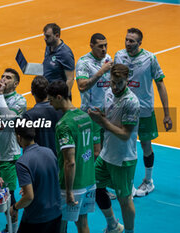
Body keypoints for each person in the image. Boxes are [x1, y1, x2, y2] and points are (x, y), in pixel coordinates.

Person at [114, 28, 172, 197]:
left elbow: (161, 85)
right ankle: (123, 183)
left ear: (140, 43)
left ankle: (148, 181)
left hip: (144, 109)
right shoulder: (119, 55)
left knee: (146, 145)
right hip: (123, 108)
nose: (127, 43)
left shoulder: (150, 58)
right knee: (122, 145)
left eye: (132, 41)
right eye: (126, 39)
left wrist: (167, 114)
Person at [88, 64, 140, 233]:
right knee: (94, 187)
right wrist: (99, 115)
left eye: (119, 83)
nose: (115, 87)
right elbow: (107, 115)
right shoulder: (108, 92)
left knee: (124, 200)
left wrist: (102, 122)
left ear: (127, 81)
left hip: (123, 159)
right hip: (106, 155)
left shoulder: (131, 103)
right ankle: (113, 225)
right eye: (113, 82)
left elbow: (125, 134)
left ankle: (129, 231)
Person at [48, 80, 96, 233]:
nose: (50, 104)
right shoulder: (84, 116)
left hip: (73, 185)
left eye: (51, 100)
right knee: (82, 224)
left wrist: (68, 191)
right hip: (89, 180)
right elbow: (94, 150)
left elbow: (70, 162)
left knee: (61, 223)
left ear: (59, 97)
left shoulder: (63, 125)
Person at [76, 33, 116, 200]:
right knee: (95, 153)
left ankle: (100, 186)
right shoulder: (84, 62)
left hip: (107, 115)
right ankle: (93, 188)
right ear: (91, 45)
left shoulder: (108, 58)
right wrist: (101, 72)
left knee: (106, 152)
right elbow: (82, 86)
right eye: (100, 46)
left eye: (105, 45)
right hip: (91, 115)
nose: (104, 49)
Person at [0, 68, 27, 232]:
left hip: (10, 155)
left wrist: (0, 95)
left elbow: (9, 117)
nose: (4, 79)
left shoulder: (20, 100)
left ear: (16, 83)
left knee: (9, 195)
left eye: (8, 77)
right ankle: (10, 226)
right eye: (2, 76)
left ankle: (13, 228)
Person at [10, 125, 61, 233]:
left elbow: (29, 197)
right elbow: (53, 179)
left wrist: (15, 207)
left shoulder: (22, 162)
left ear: (19, 137)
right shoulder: (49, 152)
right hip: (56, 213)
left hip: (36, 218)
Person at [22, 75, 62, 156]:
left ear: (32, 92)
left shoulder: (29, 116)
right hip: (59, 159)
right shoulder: (60, 110)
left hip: (40, 160)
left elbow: (26, 143)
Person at [42, 23, 75, 90]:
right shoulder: (49, 46)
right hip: (47, 90)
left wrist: (64, 98)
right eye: (45, 36)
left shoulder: (65, 54)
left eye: (48, 36)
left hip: (57, 95)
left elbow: (70, 79)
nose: (45, 39)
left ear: (57, 35)